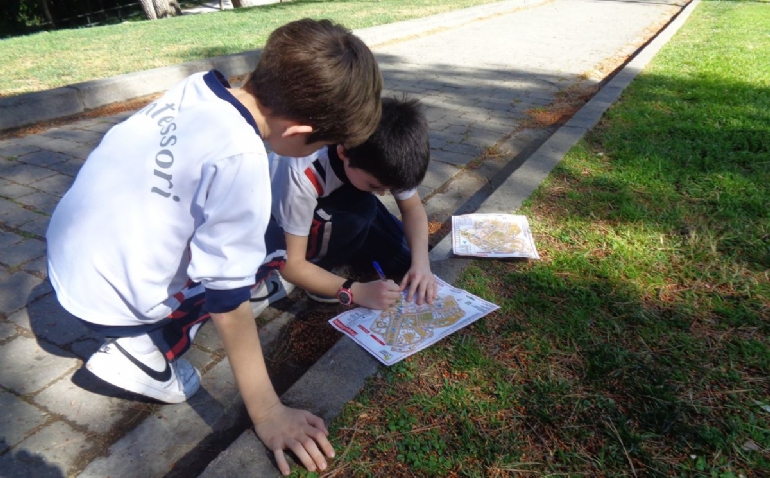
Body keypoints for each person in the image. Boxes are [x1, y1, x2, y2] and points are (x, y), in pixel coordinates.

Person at [46, 18, 382, 476]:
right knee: (266, 255)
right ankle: (141, 355)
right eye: (320, 144)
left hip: (70, 261)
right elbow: (229, 302)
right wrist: (267, 413)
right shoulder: (242, 161)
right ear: (301, 131)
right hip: (110, 302)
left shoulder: (198, 87)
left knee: (254, 245)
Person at [269, 96, 437, 311]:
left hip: (343, 196)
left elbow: (412, 208)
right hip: (279, 221)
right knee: (364, 209)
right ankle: (321, 268)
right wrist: (355, 291)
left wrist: (421, 264)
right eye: (375, 185)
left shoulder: (387, 155)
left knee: (405, 260)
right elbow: (291, 264)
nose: (385, 193)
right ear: (343, 153)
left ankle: (351, 244)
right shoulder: (302, 173)